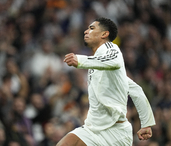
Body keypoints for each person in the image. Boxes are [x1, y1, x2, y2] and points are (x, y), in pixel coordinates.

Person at [57, 17, 156, 146]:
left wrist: (81, 61)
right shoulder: (99, 63)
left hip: (116, 133)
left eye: (92, 28)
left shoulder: (111, 49)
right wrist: (147, 123)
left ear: (104, 34)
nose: (86, 31)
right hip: (92, 129)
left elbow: (112, 61)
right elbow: (136, 90)